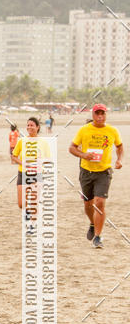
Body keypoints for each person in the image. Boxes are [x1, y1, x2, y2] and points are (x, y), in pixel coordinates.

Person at [68, 104, 123, 248]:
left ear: (106, 115)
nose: (100, 116)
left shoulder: (112, 130)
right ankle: (92, 223)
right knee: (88, 204)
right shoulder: (84, 130)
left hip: (104, 172)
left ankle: (98, 237)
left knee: (99, 202)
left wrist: (119, 159)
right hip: (86, 172)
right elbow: (72, 148)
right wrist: (83, 155)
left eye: (102, 113)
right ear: (92, 114)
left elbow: (119, 146)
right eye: (97, 113)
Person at [11, 117, 50, 217]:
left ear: (37, 127)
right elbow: (14, 156)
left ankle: (33, 225)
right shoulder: (21, 141)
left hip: (37, 174)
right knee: (21, 204)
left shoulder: (43, 142)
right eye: (28, 125)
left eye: (32, 125)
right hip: (23, 173)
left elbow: (48, 160)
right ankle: (29, 211)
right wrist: (23, 163)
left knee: (33, 202)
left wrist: (41, 164)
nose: (29, 127)